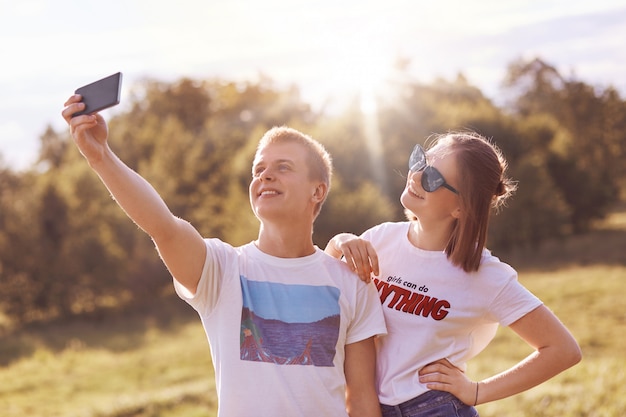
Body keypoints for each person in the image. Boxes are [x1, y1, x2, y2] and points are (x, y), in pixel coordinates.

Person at [61, 94, 387, 417]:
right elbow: (162, 226)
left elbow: (359, 400)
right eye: (258, 170)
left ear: (318, 191)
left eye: (282, 167)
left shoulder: (353, 283)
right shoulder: (222, 269)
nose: (264, 176)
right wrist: (100, 156)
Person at [325, 131, 582, 417]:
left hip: (434, 409)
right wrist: (339, 242)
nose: (416, 176)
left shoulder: (485, 275)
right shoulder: (380, 238)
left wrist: (477, 391)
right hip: (367, 406)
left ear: (461, 207)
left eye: (433, 178)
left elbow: (562, 350)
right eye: (419, 161)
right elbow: (326, 292)